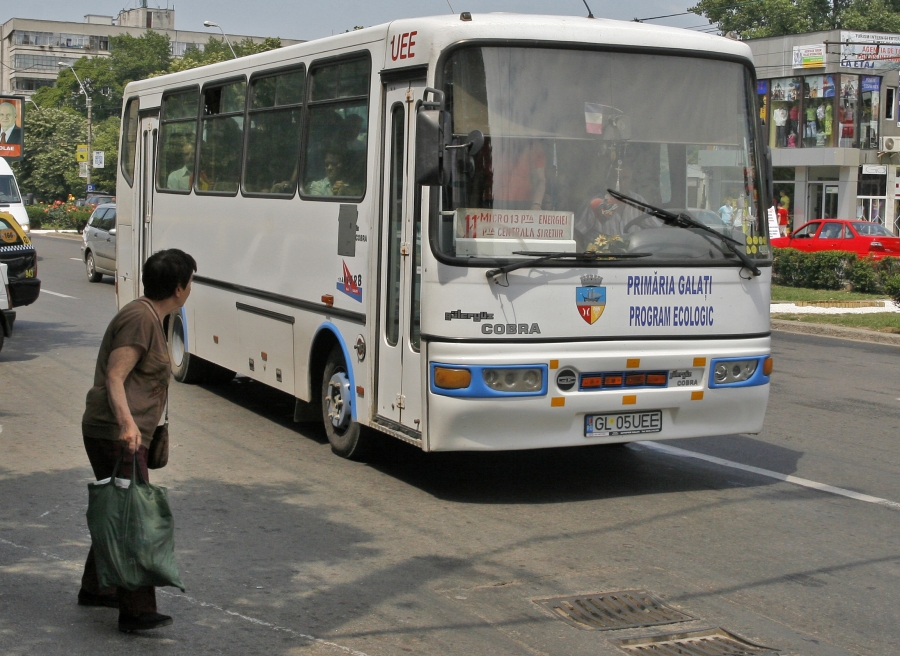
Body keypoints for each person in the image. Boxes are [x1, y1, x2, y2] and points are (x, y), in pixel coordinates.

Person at [79, 249, 196, 633]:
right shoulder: (139, 319)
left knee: (121, 504)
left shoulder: (150, 315)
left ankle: (96, 587)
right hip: (115, 432)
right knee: (136, 520)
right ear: (179, 288)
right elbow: (115, 376)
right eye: (190, 281)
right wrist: (128, 426)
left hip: (116, 430)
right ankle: (136, 610)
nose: (190, 288)